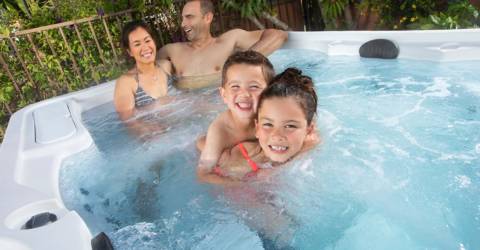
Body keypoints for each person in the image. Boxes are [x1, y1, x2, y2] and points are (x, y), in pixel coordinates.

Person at [198, 67, 320, 185]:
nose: (277, 136)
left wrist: (274, 171)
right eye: (268, 124)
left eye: (290, 126)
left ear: (309, 130)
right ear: (257, 128)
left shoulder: (311, 144)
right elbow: (206, 176)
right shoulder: (239, 161)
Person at [158, 0, 288, 89]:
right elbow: (143, 70)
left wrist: (242, 63)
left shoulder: (229, 41)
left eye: (189, 17)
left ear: (207, 18)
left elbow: (278, 35)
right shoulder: (171, 51)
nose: (182, 24)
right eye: (182, 18)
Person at [196, 50, 275, 175]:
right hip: (219, 144)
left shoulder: (274, 116)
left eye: (254, 86)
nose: (244, 94)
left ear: (270, 93)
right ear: (224, 95)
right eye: (235, 87)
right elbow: (204, 174)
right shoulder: (221, 131)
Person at [114, 20, 172, 120]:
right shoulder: (126, 82)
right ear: (130, 52)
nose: (145, 47)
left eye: (147, 40)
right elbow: (130, 122)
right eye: (137, 44)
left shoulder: (166, 66)